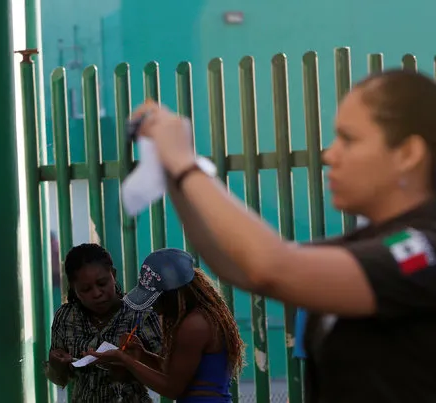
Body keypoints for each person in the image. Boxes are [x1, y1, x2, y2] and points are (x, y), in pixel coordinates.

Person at [123, 69, 436, 402]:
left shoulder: (422, 249)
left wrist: (186, 165)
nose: (330, 154)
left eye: (349, 139)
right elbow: (238, 266)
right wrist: (174, 175)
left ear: (407, 154)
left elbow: (273, 268)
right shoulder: (369, 242)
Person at [88, 248, 244, 402]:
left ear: (172, 294)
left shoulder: (194, 325)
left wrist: (125, 360)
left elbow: (172, 388)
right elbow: (177, 372)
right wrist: (141, 355)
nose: (152, 307)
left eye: (154, 299)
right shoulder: (197, 318)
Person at [45, 243, 163, 402]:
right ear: (74, 289)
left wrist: (130, 369)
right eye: (86, 289)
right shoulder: (66, 317)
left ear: (113, 275)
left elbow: (167, 373)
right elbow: (60, 380)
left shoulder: (141, 313)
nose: (97, 293)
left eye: (102, 283)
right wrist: (56, 366)